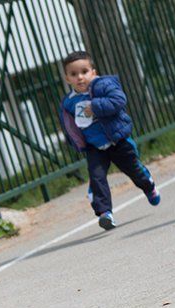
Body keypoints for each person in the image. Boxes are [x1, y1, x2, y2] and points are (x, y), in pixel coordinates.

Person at [59, 50, 160, 230]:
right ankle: (105, 213)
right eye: (74, 74)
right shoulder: (69, 102)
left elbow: (118, 100)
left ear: (94, 72)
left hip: (117, 141)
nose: (80, 77)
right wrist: (77, 142)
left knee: (134, 171)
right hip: (94, 146)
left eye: (84, 72)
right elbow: (69, 125)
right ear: (67, 78)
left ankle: (148, 186)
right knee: (97, 178)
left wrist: (96, 106)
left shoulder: (103, 86)